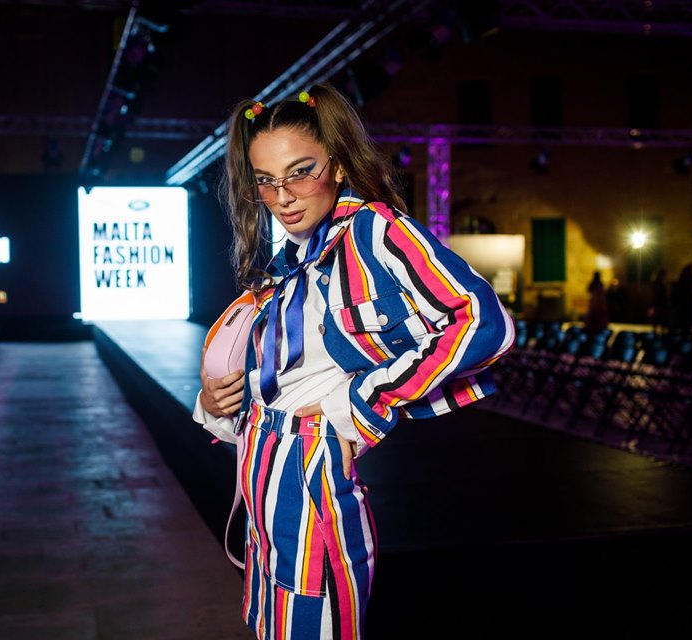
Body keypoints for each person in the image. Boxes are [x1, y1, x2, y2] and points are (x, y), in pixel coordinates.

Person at [193, 83, 515, 640]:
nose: (283, 197)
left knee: (315, 624)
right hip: (259, 465)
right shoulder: (289, 258)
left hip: (309, 466)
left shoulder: (375, 231)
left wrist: (364, 400)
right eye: (266, 181)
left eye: (301, 172)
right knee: (271, 624)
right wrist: (216, 401)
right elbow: (285, 371)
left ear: (338, 165)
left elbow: (486, 324)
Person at [648, 268, 668, 335]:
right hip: (658, 305)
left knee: (658, 320)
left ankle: (657, 333)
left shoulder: (658, 284)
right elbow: (656, 295)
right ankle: (657, 334)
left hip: (658, 305)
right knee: (658, 319)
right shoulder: (658, 284)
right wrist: (652, 306)